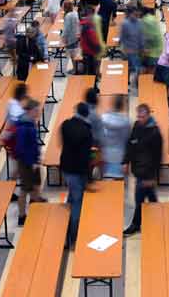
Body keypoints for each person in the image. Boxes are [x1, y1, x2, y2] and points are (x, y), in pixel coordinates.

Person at [123, 103, 163, 235]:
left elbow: (157, 157)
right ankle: (158, 220)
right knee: (150, 198)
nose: (140, 119)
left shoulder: (155, 133)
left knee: (139, 199)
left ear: (148, 115)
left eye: (142, 117)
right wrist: (126, 161)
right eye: (138, 116)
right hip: (138, 169)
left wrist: (153, 177)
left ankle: (136, 224)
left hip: (147, 173)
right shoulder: (136, 126)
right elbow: (130, 144)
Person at [61, 101, 94, 246]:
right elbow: (86, 156)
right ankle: (73, 238)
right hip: (77, 171)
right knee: (77, 203)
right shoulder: (86, 131)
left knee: (70, 197)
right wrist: (88, 177)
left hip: (65, 167)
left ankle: (64, 232)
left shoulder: (65, 124)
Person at [14, 99, 46, 225]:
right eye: (36, 110)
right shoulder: (23, 126)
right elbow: (21, 148)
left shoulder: (30, 122)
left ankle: (35, 199)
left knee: (36, 182)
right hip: (26, 162)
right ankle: (22, 216)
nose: (38, 113)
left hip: (33, 160)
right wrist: (31, 162)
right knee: (24, 188)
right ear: (29, 111)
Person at [100, 95, 130, 179]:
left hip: (106, 157)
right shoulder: (126, 122)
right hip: (120, 157)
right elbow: (127, 140)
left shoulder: (103, 118)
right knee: (119, 188)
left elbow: (100, 137)